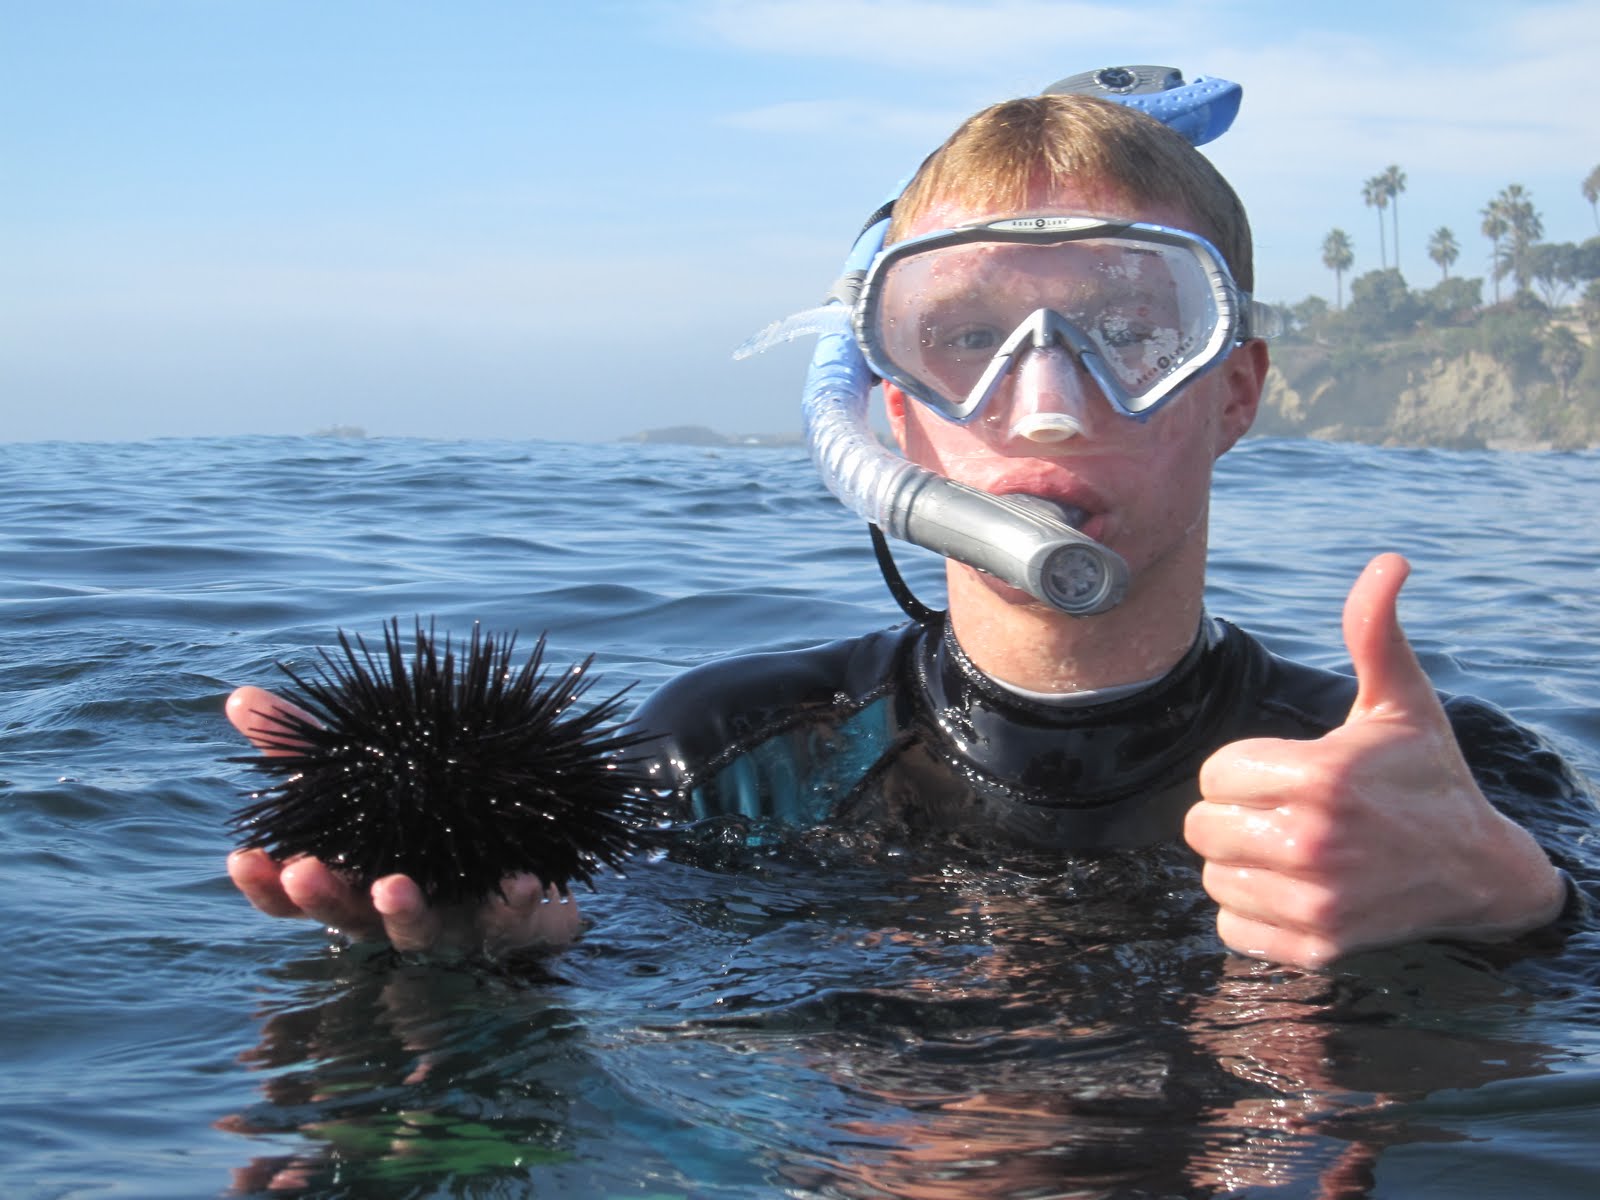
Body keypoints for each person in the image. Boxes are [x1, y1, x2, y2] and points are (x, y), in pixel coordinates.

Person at [227, 76, 1594, 969]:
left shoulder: (1437, 787)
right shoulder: (720, 759)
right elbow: (594, 963)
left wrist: (1520, 904)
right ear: (889, 409)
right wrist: (496, 958)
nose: (1050, 404)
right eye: (969, 339)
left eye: (1133, 329)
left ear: (1233, 391)